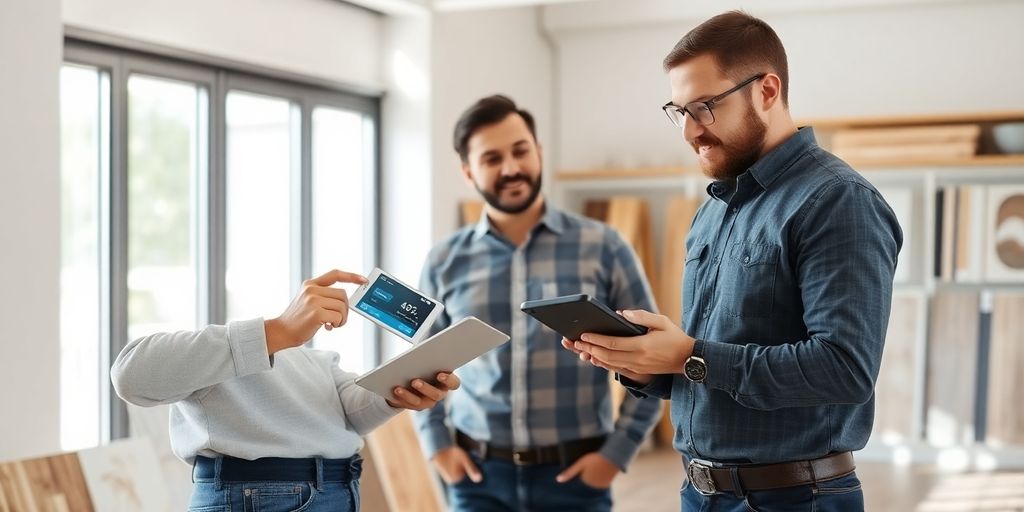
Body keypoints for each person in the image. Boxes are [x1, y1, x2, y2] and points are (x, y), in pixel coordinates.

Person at [565, 11, 903, 512]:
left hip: (795, 498)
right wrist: (643, 362)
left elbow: (844, 369)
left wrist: (687, 355)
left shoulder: (838, 201)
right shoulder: (713, 211)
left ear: (767, 91)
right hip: (699, 493)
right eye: (678, 111)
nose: (687, 131)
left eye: (703, 107)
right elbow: (709, 367)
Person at [412, 94, 662, 512]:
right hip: (478, 481)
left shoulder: (604, 246)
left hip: (577, 479)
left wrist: (617, 453)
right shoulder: (443, 260)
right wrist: (437, 448)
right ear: (468, 171)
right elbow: (419, 364)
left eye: (520, 151)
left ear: (539, 152)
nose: (511, 168)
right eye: (492, 158)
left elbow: (652, 359)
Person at [111, 269, 460, 512]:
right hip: (259, 494)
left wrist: (394, 393)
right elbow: (129, 375)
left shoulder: (317, 360)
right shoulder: (212, 352)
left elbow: (347, 413)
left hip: (340, 491)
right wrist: (277, 331)